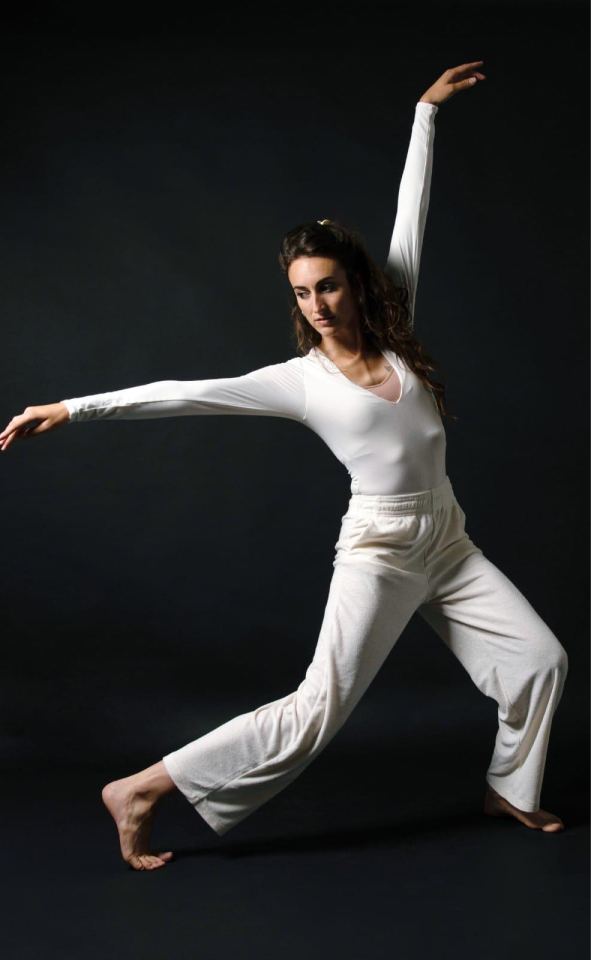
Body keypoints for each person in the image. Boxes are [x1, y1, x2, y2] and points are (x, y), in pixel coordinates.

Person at [0, 62, 568, 871]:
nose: (317, 306)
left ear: (355, 282)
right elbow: (182, 394)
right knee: (317, 709)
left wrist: (424, 114)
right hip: (378, 549)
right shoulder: (300, 383)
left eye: (328, 286)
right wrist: (72, 407)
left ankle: (510, 788)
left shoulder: (395, 321)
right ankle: (143, 787)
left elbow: (413, 215)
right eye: (301, 293)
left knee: (539, 660)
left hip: (446, 538)